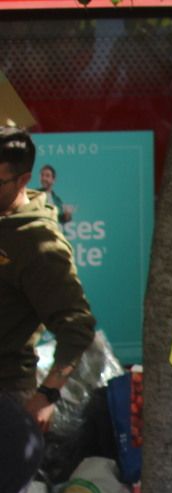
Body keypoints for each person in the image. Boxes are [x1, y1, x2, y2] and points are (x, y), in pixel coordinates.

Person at [0, 127, 95, 434]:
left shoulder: (38, 244)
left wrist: (48, 394)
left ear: (23, 179)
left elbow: (77, 326)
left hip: (7, 396)